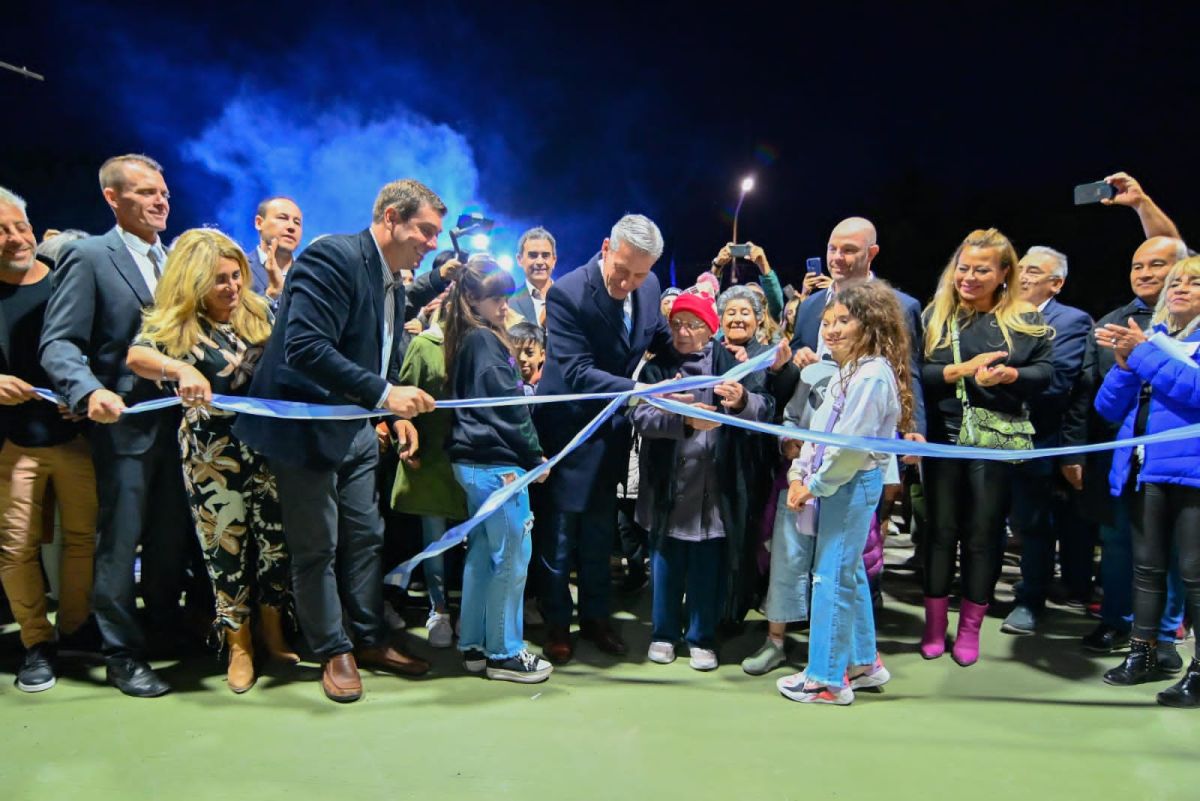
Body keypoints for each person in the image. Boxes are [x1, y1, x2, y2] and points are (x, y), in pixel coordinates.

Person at [233, 178, 455, 703]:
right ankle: (333, 649)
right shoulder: (332, 256)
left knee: (366, 538)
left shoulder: (392, 278)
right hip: (306, 429)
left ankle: (370, 637)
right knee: (316, 549)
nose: (431, 242)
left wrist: (385, 410)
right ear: (392, 217)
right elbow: (304, 347)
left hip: (354, 427)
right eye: (425, 230)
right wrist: (384, 392)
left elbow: (375, 345)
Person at [40, 154, 192, 698]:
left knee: (172, 540)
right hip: (124, 427)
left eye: (164, 193)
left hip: (180, 427)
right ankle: (122, 654)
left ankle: (164, 629)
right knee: (120, 543)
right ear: (113, 198)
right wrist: (87, 391)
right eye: (147, 193)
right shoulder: (88, 256)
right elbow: (58, 343)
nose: (160, 202)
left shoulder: (176, 260)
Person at [126, 228, 295, 693]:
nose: (233, 287)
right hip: (210, 456)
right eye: (220, 279)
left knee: (275, 543)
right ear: (194, 281)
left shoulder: (258, 311)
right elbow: (136, 355)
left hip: (266, 448)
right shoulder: (176, 324)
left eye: (237, 276)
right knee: (225, 550)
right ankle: (238, 644)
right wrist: (180, 368)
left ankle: (273, 631)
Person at [533, 214, 673, 664]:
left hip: (610, 434)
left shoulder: (648, 288)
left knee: (598, 535)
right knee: (558, 537)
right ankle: (557, 622)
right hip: (568, 435)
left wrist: (714, 357)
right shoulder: (568, 293)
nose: (630, 282)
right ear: (606, 246)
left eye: (641, 273)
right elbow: (574, 371)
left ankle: (596, 617)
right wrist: (640, 392)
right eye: (624, 270)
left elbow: (662, 340)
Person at [918, 228, 1053, 667]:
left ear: (1003, 273)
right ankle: (935, 625)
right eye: (963, 268)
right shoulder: (936, 317)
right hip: (943, 439)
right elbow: (919, 373)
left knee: (983, 536)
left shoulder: (1026, 320)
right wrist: (963, 370)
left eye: (981, 270)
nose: (969, 277)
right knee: (938, 533)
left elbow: (1047, 374)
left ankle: (971, 628)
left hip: (992, 443)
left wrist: (1010, 376)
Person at [773, 281, 911, 704]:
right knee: (847, 572)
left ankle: (827, 679)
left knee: (830, 576)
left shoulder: (871, 375)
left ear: (869, 324)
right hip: (837, 481)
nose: (832, 330)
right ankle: (863, 662)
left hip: (850, 484)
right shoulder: (848, 371)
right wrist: (800, 473)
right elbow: (819, 434)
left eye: (844, 321)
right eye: (828, 322)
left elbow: (849, 448)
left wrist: (812, 485)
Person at [633, 292, 772, 670]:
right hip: (669, 488)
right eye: (676, 324)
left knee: (706, 567)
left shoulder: (733, 366)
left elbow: (765, 408)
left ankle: (700, 636)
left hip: (716, 489)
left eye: (691, 325)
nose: (681, 332)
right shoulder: (658, 369)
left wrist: (743, 400)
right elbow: (641, 418)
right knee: (664, 563)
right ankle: (663, 633)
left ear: (710, 329)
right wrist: (682, 420)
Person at [0, 188, 97, 693]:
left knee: (83, 539)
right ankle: (37, 642)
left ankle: (76, 629)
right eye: (1, 230)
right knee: (15, 548)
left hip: (75, 437)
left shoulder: (65, 282)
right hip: (12, 445)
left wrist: (84, 389)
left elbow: (102, 345)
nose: (15, 237)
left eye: (19, 225)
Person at [1094, 257, 1200, 707]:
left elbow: (1194, 391)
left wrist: (1143, 354)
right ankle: (1145, 653)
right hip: (1146, 469)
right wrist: (1122, 364)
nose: (1181, 288)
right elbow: (1108, 408)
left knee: (1195, 576)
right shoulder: (1154, 341)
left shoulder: (1162, 346)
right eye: (1176, 281)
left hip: (1193, 475)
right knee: (1147, 569)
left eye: (1195, 282)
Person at [444, 258, 553, 682]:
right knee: (511, 557)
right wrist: (534, 456)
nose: (504, 306)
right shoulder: (486, 343)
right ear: (472, 298)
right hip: (495, 464)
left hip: (473, 462)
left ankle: (474, 643)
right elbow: (509, 410)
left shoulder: (467, 336)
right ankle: (505, 652)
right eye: (496, 298)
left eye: (506, 297)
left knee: (483, 556)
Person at [1002, 246, 1095, 635]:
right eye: (1020, 268)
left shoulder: (1071, 321)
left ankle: (1031, 599)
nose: (1022, 276)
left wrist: (1002, 381)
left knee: (1034, 524)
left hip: (1039, 439)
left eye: (1034, 271)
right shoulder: (998, 316)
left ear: (1056, 283)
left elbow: (1061, 383)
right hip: (988, 440)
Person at [789, 217, 926, 436]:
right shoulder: (808, 307)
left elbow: (909, 373)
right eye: (832, 249)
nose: (837, 258)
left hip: (870, 432)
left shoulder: (902, 307)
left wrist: (914, 429)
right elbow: (794, 354)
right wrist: (797, 356)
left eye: (848, 250)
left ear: (872, 253)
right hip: (813, 429)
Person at [391, 296, 466, 648]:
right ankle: (438, 609)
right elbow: (403, 403)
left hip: (472, 457)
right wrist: (405, 442)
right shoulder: (424, 345)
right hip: (432, 459)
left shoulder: (482, 341)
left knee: (475, 540)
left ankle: (470, 608)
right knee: (435, 541)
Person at [246, 196, 304, 309]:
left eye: (297, 222)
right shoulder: (239, 269)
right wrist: (272, 294)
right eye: (282, 218)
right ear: (259, 223)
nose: (291, 227)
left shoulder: (308, 274)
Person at [710, 242, 784, 319]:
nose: (750, 298)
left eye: (756, 296)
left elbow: (776, 303)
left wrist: (763, 263)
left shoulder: (767, 323)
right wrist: (717, 266)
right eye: (745, 294)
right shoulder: (727, 326)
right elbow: (707, 300)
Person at [508, 227, 557, 328]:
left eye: (545, 255)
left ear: (554, 260)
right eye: (533, 255)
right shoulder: (509, 304)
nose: (539, 262)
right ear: (519, 259)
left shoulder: (569, 297)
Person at [508, 321, 546, 392]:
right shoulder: (507, 386)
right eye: (516, 353)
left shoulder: (549, 384)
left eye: (529, 352)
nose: (522, 358)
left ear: (542, 355)